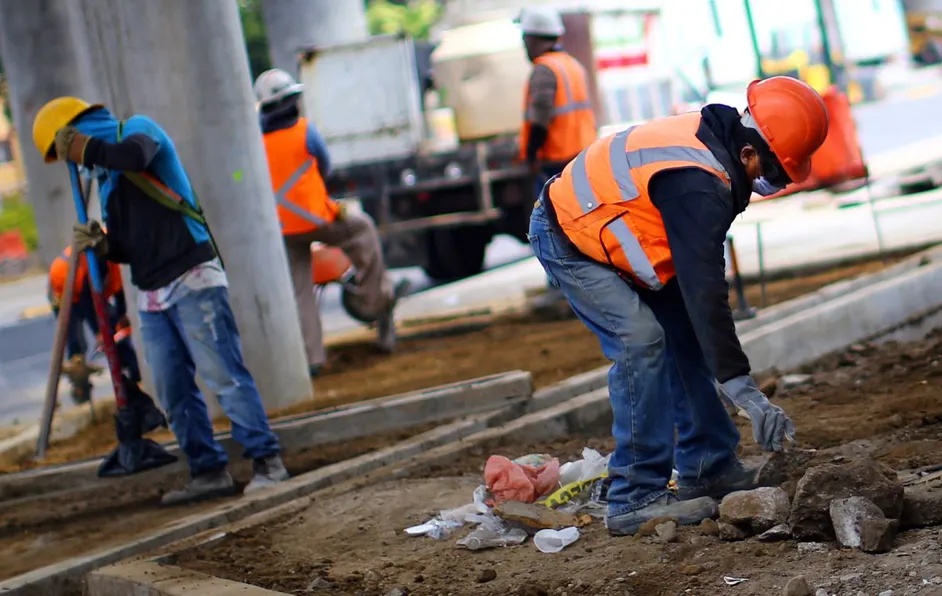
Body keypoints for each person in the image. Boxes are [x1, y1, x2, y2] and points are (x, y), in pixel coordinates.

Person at [527, 76, 829, 536]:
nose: (767, 184)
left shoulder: (715, 148)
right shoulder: (699, 184)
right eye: (771, 173)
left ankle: (709, 466)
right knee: (641, 341)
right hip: (570, 235)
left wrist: (732, 375)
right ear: (749, 153)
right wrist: (744, 390)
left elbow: (698, 298)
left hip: (619, 234)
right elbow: (706, 289)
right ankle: (634, 495)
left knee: (683, 335)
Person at [33, 96, 290, 505]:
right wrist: (104, 247)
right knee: (172, 388)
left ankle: (267, 462)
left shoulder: (138, 130)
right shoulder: (108, 180)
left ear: (79, 130)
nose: (78, 163)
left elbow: (135, 157)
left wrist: (87, 148)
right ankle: (207, 470)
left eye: (70, 151)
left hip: (192, 275)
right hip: (151, 291)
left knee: (223, 374)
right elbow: (132, 244)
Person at [253, 68, 408, 377]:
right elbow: (324, 166)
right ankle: (378, 301)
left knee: (300, 291)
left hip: (282, 230)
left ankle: (313, 358)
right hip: (318, 219)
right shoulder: (305, 131)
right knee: (362, 229)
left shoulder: (255, 142)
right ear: (291, 102)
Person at [518, 6, 596, 199]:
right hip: (583, 155)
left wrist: (531, 154)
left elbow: (540, 116)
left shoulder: (545, 69)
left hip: (557, 162)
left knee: (550, 221)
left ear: (532, 39)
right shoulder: (571, 64)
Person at [48, 243, 140, 404]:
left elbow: (118, 293)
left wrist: (121, 318)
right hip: (64, 293)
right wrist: (100, 331)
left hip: (88, 291)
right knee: (76, 342)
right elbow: (87, 302)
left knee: (115, 333)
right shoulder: (87, 266)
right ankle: (81, 390)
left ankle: (133, 377)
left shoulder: (111, 259)